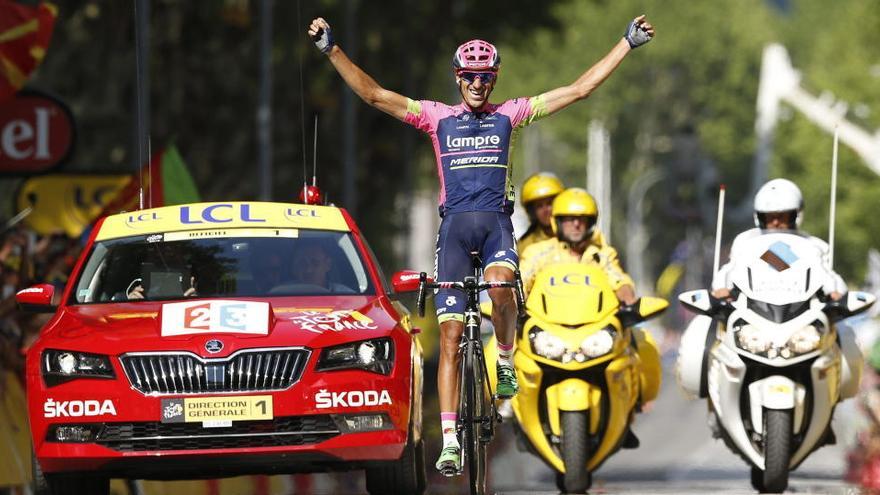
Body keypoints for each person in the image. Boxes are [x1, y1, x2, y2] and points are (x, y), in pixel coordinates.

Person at [307, 14, 655, 474]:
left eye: (485, 77)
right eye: (469, 76)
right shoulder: (436, 117)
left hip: (496, 229)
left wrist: (625, 44)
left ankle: (506, 357)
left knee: (500, 286)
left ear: (494, 80)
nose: (477, 84)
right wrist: (332, 50)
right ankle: (451, 441)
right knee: (449, 336)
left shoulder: (510, 115)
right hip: (453, 231)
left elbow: (578, 90)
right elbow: (374, 95)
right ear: (458, 78)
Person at [711, 178, 845, 300]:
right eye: (769, 217)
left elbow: (827, 274)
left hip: (805, 315)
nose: (775, 222)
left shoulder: (814, 246)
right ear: (759, 217)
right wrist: (721, 288)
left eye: (782, 216)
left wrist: (835, 291)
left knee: (843, 327)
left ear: (796, 215)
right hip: (750, 314)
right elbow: (731, 269)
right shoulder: (746, 241)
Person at [520, 187, 637, 304]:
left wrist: (628, 300)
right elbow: (522, 281)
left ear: (590, 223)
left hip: (595, 321)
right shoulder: (537, 253)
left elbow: (619, 280)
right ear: (558, 222)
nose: (576, 224)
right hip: (544, 321)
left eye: (582, 219)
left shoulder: (602, 255)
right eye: (570, 219)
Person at [518, 172, 565, 252]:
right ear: (532, 212)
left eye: (550, 203)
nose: (546, 210)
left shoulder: (575, 235)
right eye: (539, 206)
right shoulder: (525, 245)